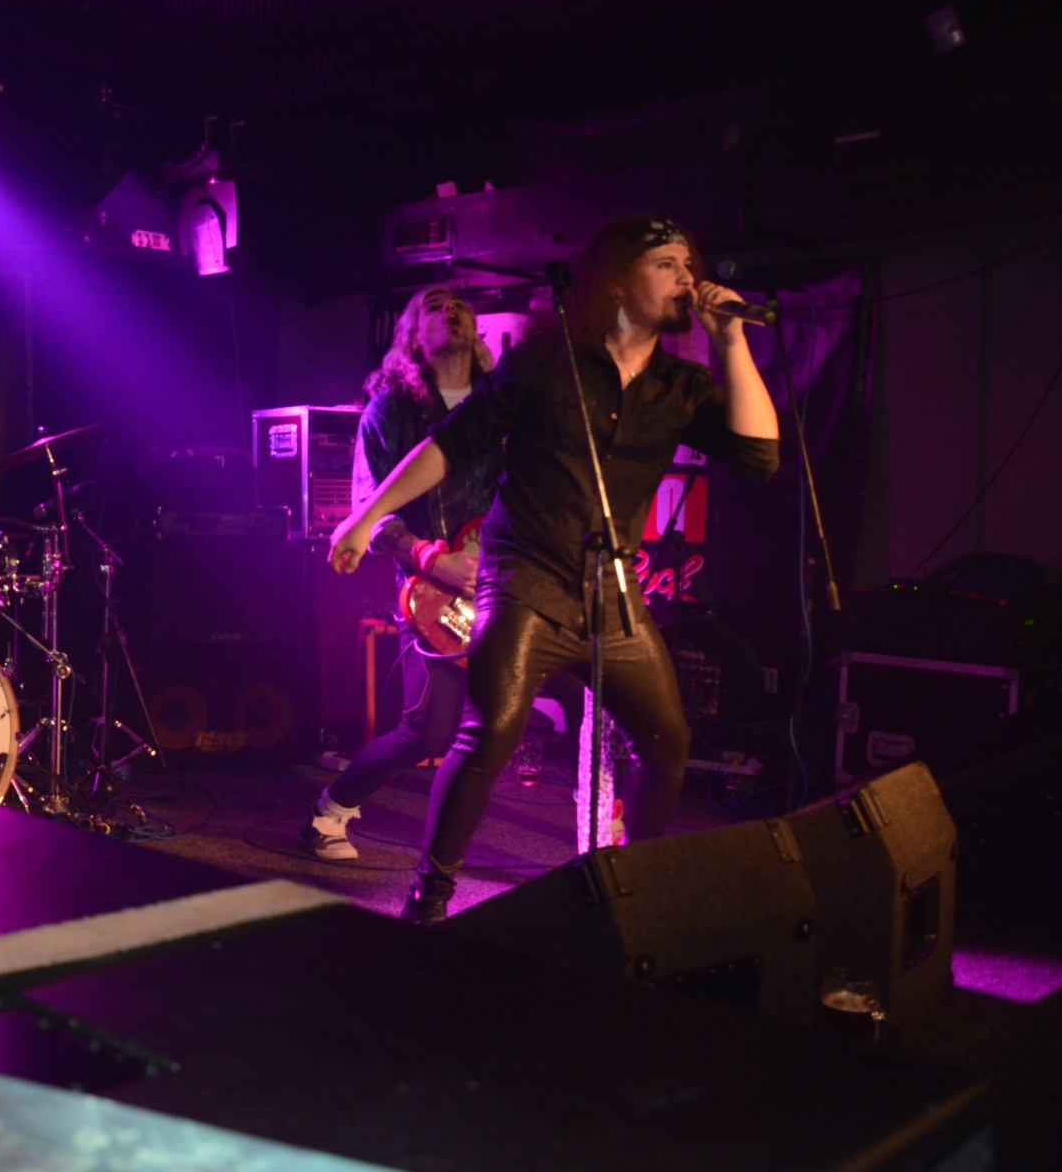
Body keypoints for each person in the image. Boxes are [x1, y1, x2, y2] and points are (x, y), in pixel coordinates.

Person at [329, 215, 780, 922]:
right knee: (488, 732)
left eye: (688, 263)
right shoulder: (547, 362)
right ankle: (429, 897)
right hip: (525, 580)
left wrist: (731, 339)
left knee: (667, 745)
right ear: (618, 281)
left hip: (612, 594)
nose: (685, 277)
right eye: (666, 263)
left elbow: (759, 456)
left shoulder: (680, 386)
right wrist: (364, 519)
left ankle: (636, 893)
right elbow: (449, 445)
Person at [301, 287, 500, 863]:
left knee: (575, 689)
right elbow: (370, 508)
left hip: (501, 580)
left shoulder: (500, 402)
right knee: (428, 732)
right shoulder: (392, 410)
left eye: (461, 305)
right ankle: (330, 812)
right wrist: (434, 559)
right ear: (413, 333)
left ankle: (605, 825)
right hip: (432, 588)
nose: (452, 311)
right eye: (435, 306)